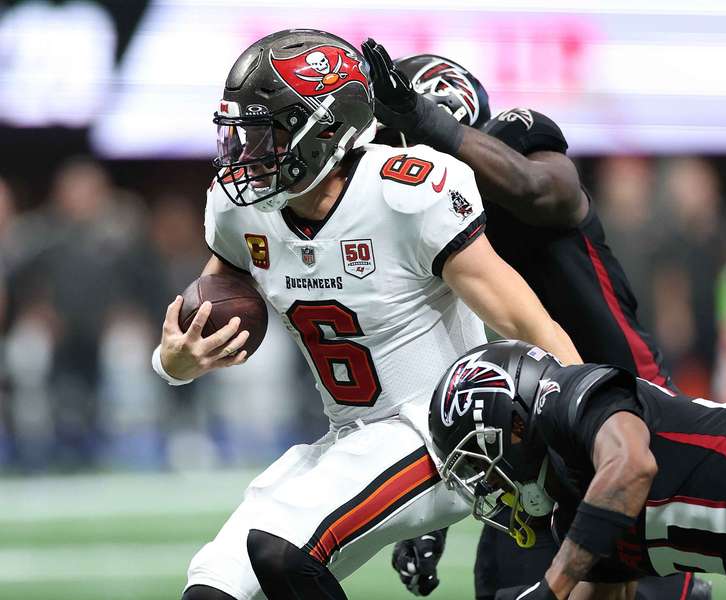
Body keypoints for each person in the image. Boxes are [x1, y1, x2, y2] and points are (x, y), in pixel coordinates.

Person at [151, 30, 581, 600]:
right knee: (215, 585)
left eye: (267, 133)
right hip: (347, 437)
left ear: (325, 130)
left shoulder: (407, 193)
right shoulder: (242, 212)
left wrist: (589, 425)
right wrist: (173, 362)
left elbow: (531, 326)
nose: (246, 152)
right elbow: (203, 316)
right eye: (242, 134)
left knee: (282, 548)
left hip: (446, 435)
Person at [360, 42, 708, 599]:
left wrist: (427, 126)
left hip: (628, 420)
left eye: (393, 143)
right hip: (532, 456)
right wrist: (434, 512)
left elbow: (534, 187)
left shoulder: (518, 150)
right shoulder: (411, 229)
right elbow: (452, 375)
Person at [431, 340, 726, 600]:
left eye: (483, 462)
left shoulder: (570, 399)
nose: (491, 485)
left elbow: (633, 466)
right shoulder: (580, 516)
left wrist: (551, 587)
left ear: (514, 422)